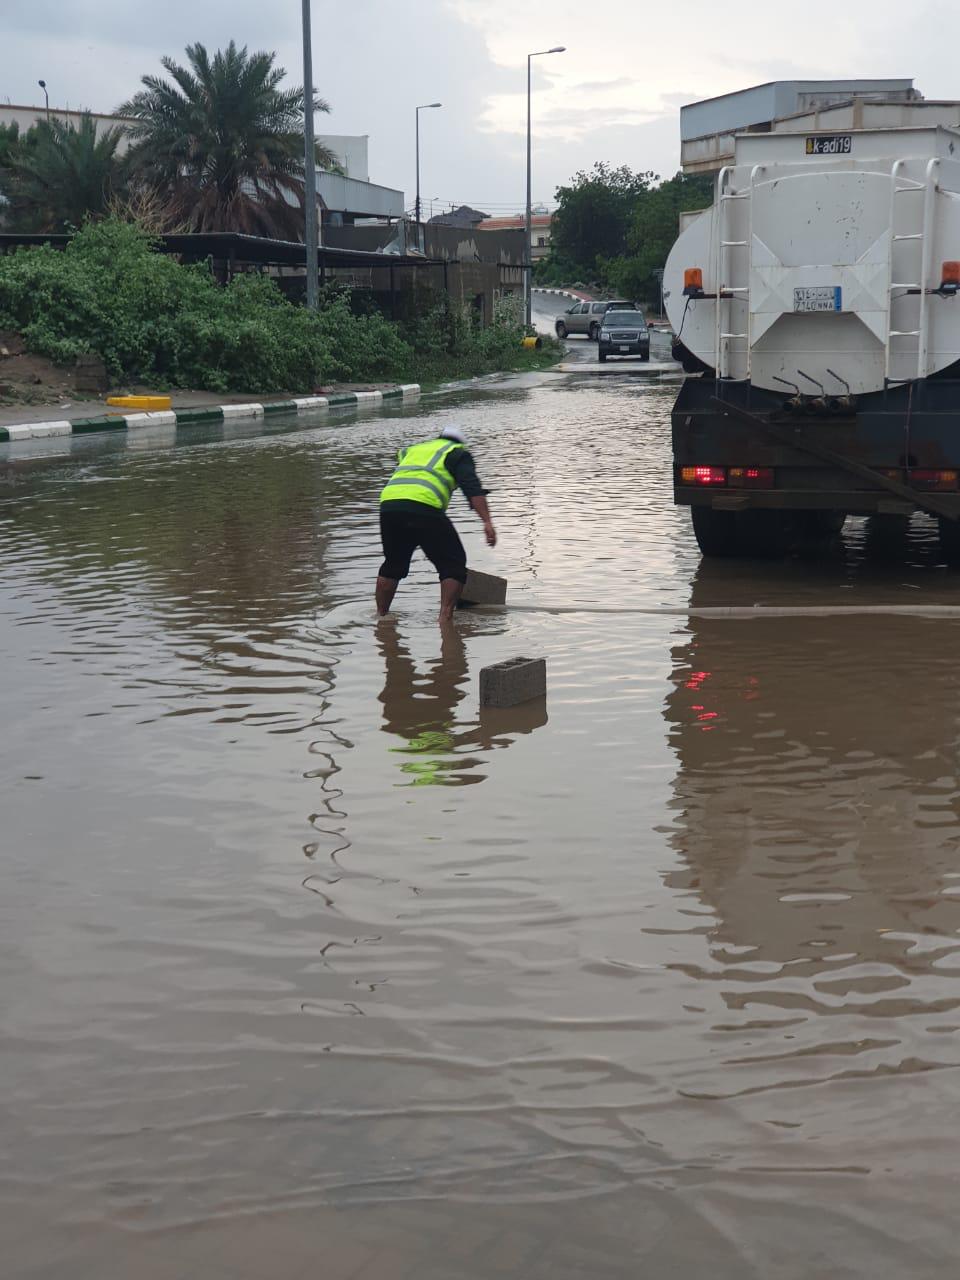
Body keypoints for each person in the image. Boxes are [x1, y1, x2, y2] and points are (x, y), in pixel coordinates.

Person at [376, 426, 497, 623]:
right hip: (425, 507)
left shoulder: (415, 449)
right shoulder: (457, 453)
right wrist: (487, 522)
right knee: (453, 563)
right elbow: (472, 488)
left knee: (393, 564)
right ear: (459, 443)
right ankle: (445, 619)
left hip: (390, 506)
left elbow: (418, 475)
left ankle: (381, 618)